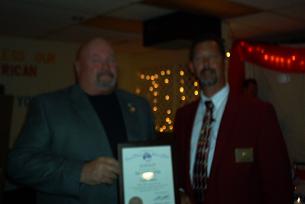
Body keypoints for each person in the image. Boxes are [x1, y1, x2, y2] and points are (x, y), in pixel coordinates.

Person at [7, 38, 155, 204]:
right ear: (78, 68)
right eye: (96, 60)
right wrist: (81, 172)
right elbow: (18, 164)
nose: (106, 67)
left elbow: (153, 159)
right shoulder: (49, 106)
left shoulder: (139, 106)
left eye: (111, 60)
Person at [173, 35, 293, 204]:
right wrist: (179, 192)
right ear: (191, 67)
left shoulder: (258, 113)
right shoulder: (183, 116)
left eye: (212, 57)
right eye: (199, 58)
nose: (206, 64)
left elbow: (279, 183)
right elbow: (178, 170)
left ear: (224, 62)